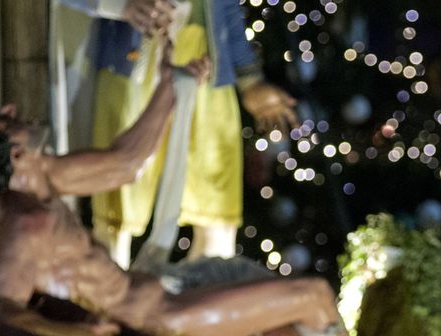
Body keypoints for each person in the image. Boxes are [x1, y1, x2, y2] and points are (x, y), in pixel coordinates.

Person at [0, 48, 441, 336]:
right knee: (312, 296)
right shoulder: (26, 224)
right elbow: (2, 318)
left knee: (270, 310)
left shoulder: (23, 181)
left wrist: (171, 85)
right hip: (163, 319)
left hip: (154, 295)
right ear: (13, 153)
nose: (12, 110)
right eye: (2, 119)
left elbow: (123, 163)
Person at [54, 0, 299, 267]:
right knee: (117, 209)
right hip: (135, 63)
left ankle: (199, 303)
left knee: (216, 218)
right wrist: (119, 5)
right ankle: (106, 302)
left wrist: (250, 79)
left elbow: (226, 7)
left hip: (207, 70)